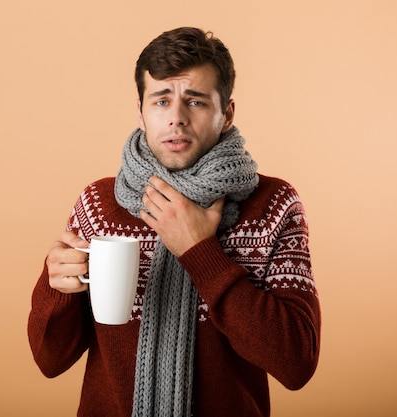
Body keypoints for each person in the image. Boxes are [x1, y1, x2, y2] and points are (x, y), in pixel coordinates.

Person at [28, 27, 321, 417]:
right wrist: (57, 291)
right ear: (141, 112)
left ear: (227, 113)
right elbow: (50, 361)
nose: (176, 118)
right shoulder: (99, 203)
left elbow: (296, 362)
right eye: (161, 101)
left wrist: (200, 251)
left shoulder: (274, 205)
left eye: (196, 102)